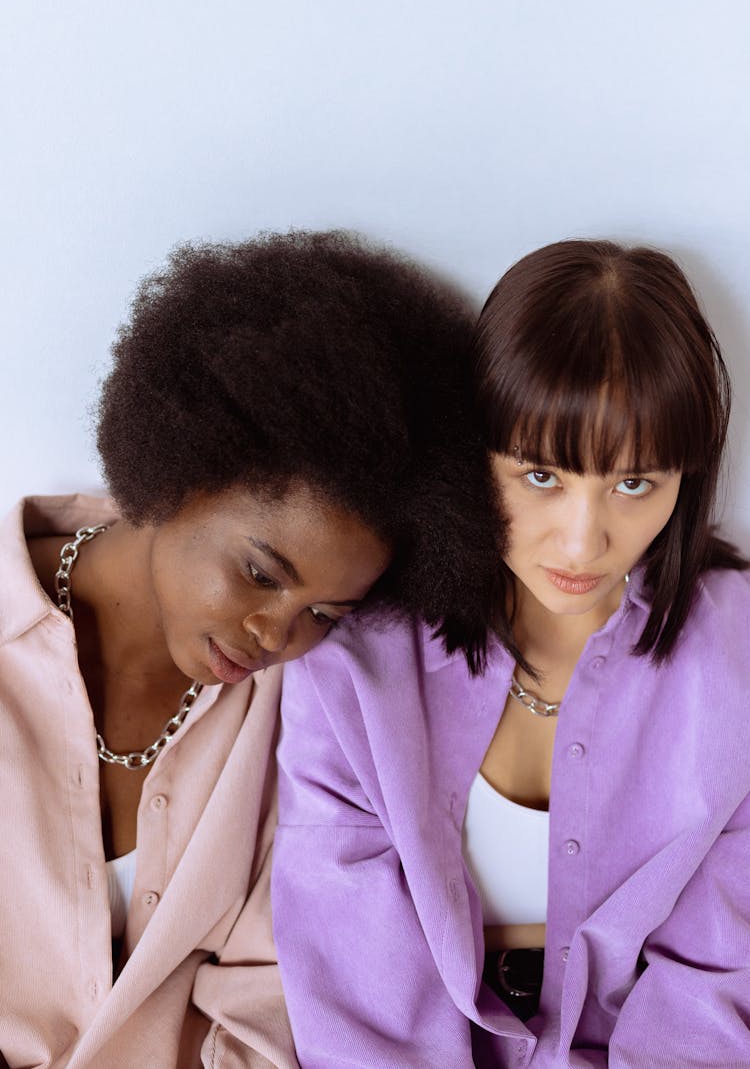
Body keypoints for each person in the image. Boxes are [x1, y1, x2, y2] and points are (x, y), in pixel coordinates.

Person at [0, 230, 499, 1068]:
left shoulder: (304, 715)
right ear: (180, 469)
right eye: (262, 572)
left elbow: (273, 996)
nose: (279, 635)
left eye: (328, 612)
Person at [273, 239, 750, 1067]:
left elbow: (716, 983)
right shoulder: (357, 658)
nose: (583, 537)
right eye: (540, 476)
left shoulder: (737, 656)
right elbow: (352, 983)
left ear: (687, 479)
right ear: (476, 451)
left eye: (635, 484)